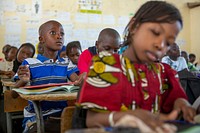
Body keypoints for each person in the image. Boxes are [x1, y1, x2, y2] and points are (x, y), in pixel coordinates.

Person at [73, 1, 196, 132]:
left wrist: (183, 105)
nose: (160, 45)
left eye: (168, 43)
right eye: (155, 33)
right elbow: (91, 120)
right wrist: (130, 116)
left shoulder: (164, 72)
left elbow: (176, 98)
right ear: (134, 26)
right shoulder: (104, 66)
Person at [14, 20, 83, 132]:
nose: (59, 36)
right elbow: (13, 94)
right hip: (35, 117)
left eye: (62, 34)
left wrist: (83, 78)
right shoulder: (29, 63)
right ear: (41, 39)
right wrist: (22, 81)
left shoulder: (66, 63)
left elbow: (78, 81)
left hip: (61, 115)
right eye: (53, 33)